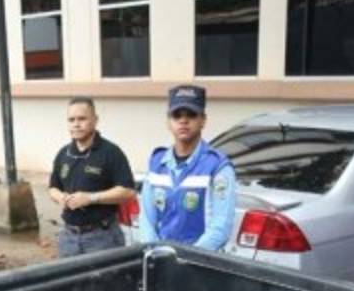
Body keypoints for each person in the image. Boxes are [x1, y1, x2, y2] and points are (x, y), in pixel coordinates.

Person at [136, 85, 237, 250]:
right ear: (168, 122)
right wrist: (158, 253)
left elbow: (220, 227)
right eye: (177, 115)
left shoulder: (217, 166)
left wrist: (185, 260)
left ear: (203, 120)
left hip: (202, 263)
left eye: (191, 114)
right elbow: (147, 220)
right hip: (162, 260)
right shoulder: (157, 162)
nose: (183, 120)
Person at [49, 97, 137, 257]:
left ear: (95, 120)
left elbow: (128, 192)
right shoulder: (63, 154)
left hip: (102, 238)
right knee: (69, 282)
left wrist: (91, 198)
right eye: (71, 120)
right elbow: (53, 188)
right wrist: (61, 197)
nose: (76, 124)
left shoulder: (111, 153)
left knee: (104, 282)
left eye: (82, 119)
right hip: (68, 237)